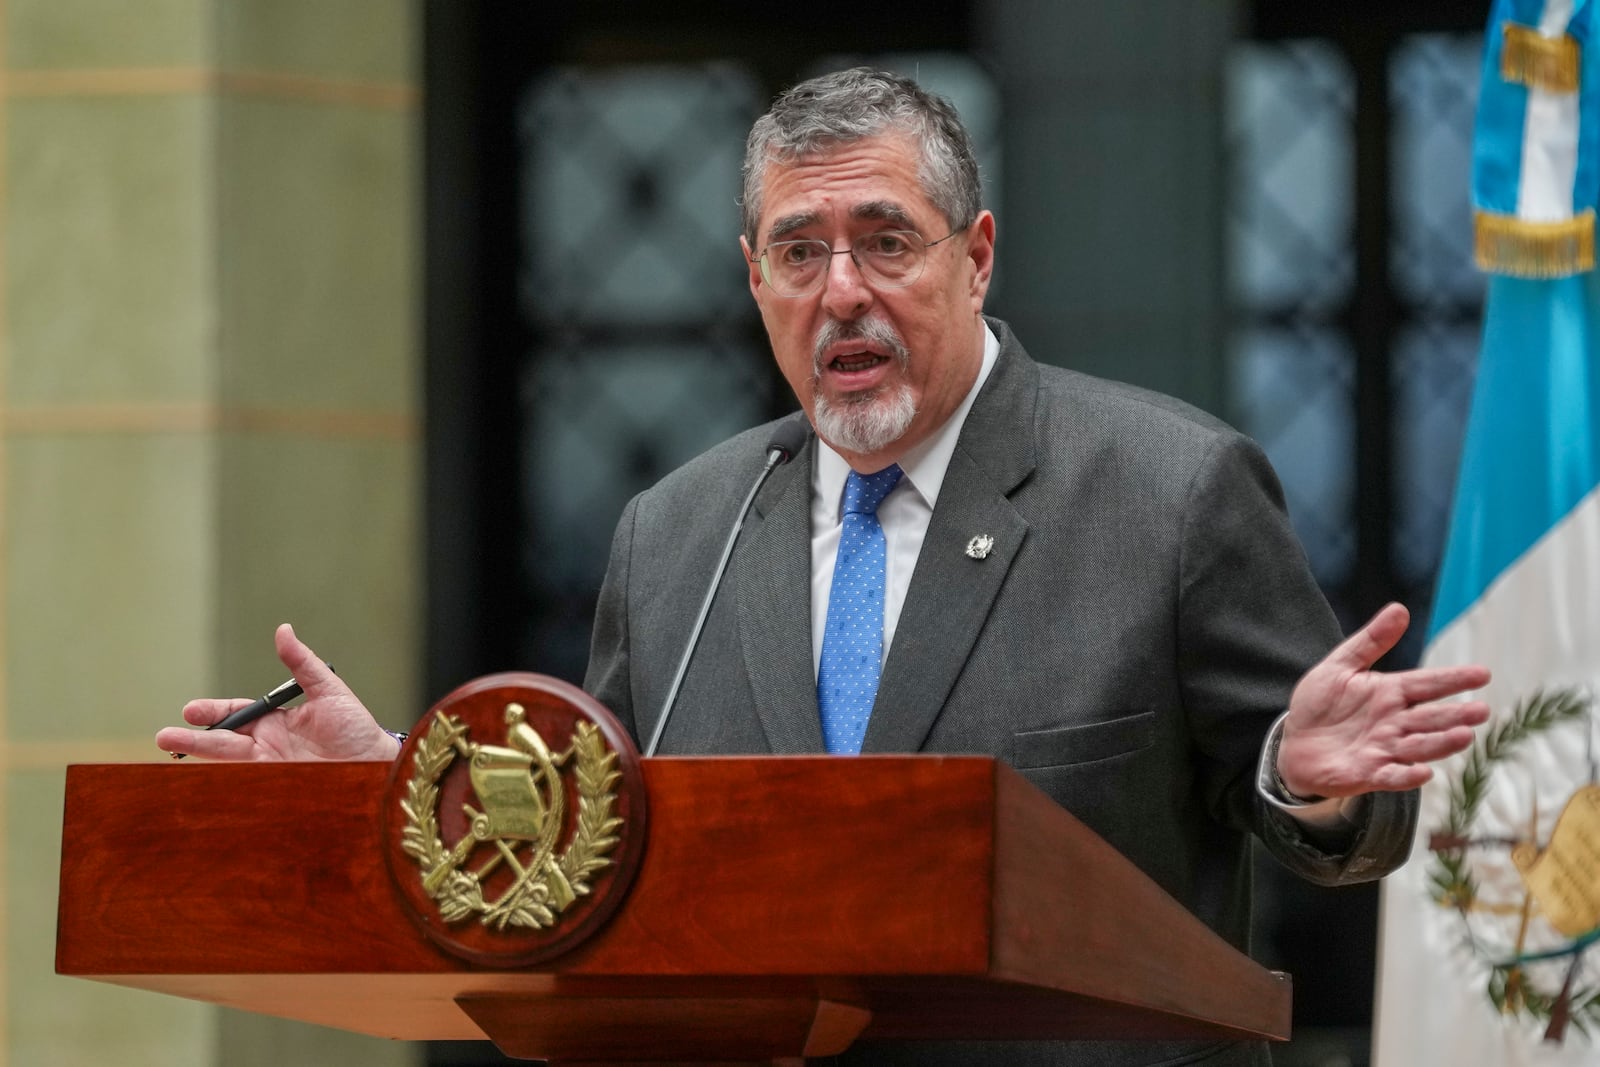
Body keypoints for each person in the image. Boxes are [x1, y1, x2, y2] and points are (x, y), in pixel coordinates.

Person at [158, 69, 1490, 1066]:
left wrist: (1296, 780)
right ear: (753, 279)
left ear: (975, 258)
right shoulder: (678, 532)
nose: (840, 289)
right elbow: (603, 864)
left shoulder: (1169, 492)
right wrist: (412, 793)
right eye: (800, 251)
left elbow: (1350, 827)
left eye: (884, 239)